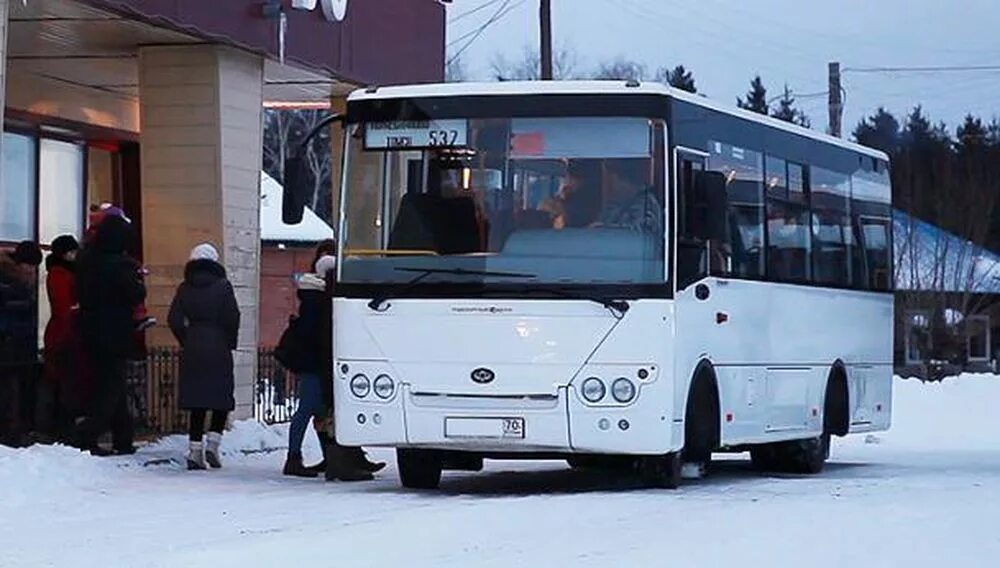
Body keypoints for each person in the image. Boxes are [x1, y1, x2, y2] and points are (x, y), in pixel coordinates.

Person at [282, 253, 384, 481]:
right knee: (308, 410)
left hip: (314, 364)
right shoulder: (317, 301)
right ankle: (296, 458)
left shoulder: (314, 299)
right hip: (315, 365)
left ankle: (333, 459)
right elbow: (318, 335)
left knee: (320, 412)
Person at [74, 215, 145, 455]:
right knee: (111, 387)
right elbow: (135, 294)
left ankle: (122, 438)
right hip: (115, 331)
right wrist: (138, 280)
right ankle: (88, 434)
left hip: (89, 329)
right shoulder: (122, 265)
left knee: (110, 384)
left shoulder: (86, 261)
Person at [168, 243, 240, 470]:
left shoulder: (184, 288)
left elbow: (174, 319)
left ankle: (195, 450)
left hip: (194, 345)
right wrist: (229, 340)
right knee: (221, 397)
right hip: (218, 344)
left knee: (197, 399)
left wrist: (186, 339)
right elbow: (233, 316)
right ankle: (213, 445)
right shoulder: (223, 286)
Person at [0, 241, 43, 447]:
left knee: (14, 389)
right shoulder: (11, 282)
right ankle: (11, 433)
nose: (32, 271)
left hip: (17, 344)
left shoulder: (16, 280)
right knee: (11, 389)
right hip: (10, 343)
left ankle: (13, 431)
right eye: (31, 266)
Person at [38, 235, 80, 440]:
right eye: (72, 252)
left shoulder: (62, 272)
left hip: (63, 332)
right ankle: (61, 428)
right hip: (63, 334)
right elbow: (63, 306)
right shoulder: (59, 274)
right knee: (63, 383)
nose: (75, 255)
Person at [595, 160, 664, 237]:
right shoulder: (614, 206)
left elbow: (640, 234)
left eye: (611, 181)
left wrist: (603, 229)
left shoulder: (647, 204)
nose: (609, 188)